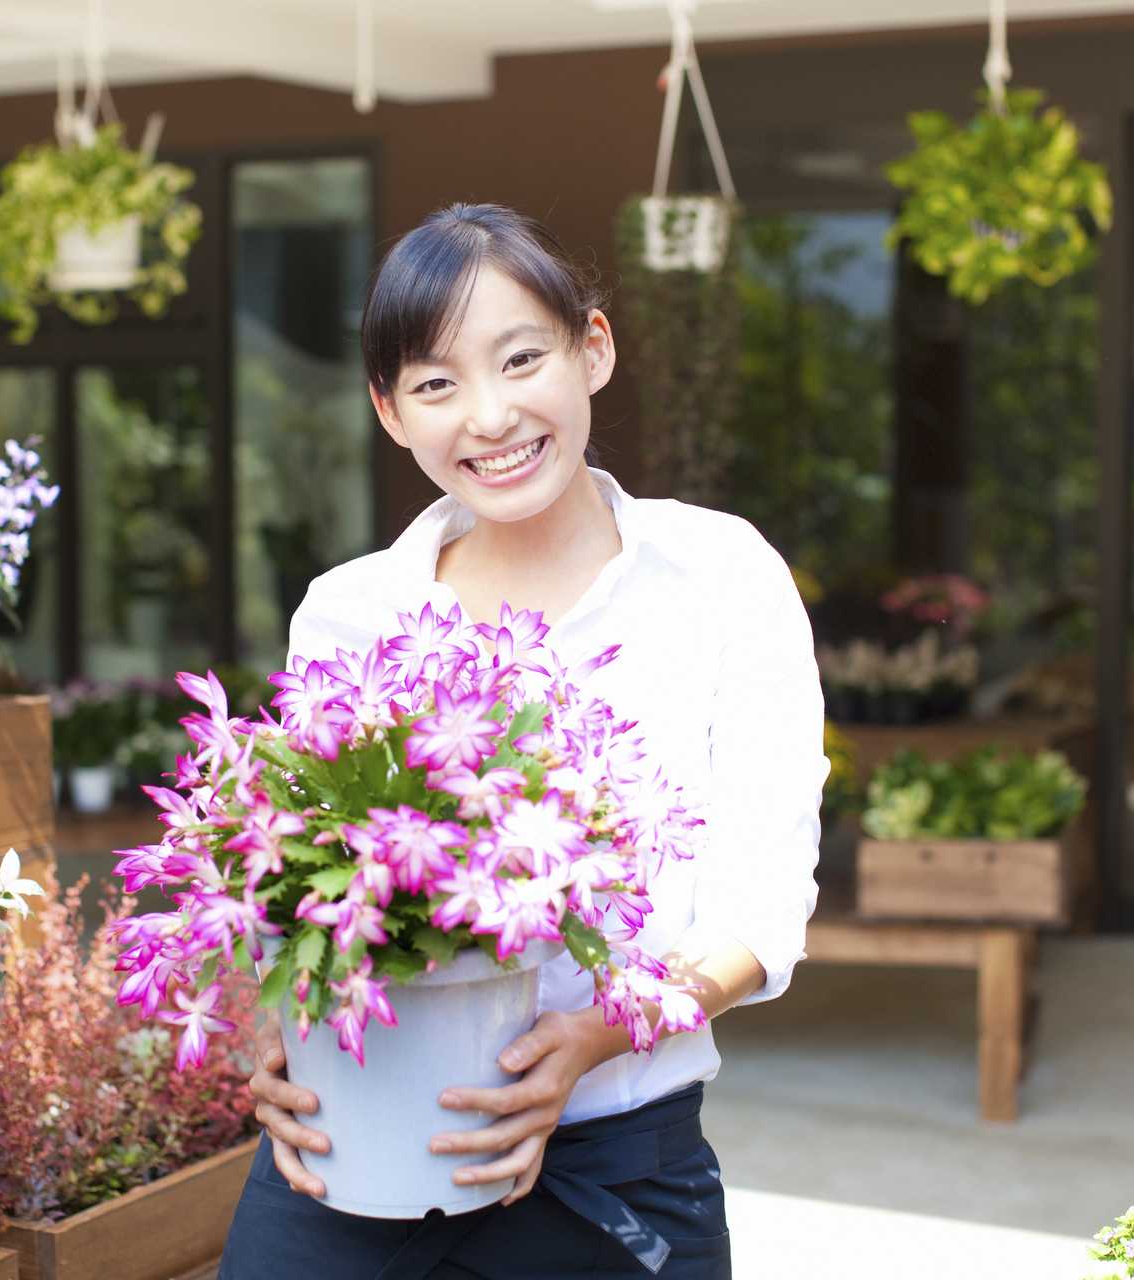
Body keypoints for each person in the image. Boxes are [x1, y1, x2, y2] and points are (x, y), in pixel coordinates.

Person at [218, 202, 826, 1279]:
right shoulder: (349, 613)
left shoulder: (720, 575)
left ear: (592, 350)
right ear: (390, 411)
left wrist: (595, 1032)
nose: (489, 416)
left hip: (614, 1171)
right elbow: (298, 884)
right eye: (436, 383)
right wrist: (269, 1026)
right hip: (348, 1157)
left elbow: (761, 906)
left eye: (520, 357)